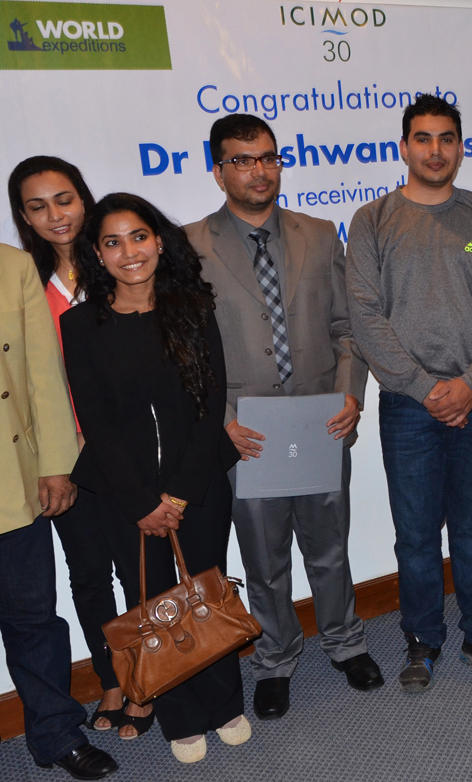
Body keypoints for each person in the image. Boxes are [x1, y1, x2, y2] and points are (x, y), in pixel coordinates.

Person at [185, 113, 381, 718]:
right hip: (248, 432)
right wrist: (219, 420)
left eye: (269, 157)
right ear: (218, 171)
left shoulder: (320, 234)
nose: (259, 170)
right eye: (242, 160)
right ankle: (276, 658)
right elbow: (185, 351)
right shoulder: (189, 245)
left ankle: (345, 643)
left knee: (330, 547)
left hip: (322, 421)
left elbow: (348, 328)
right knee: (264, 557)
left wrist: (351, 393)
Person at [60, 193, 250, 763]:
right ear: (96, 254)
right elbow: (95, 420)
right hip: (125, 493)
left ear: (159, 241)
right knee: (155, 602)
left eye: (138, 237)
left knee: (204, 592)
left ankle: (225, 703)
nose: (129, 252)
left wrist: (183, 492)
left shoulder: (193, 307)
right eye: (112, 242)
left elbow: (209, 400)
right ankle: (179, 714)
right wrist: (143, 500)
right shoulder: (80, 324)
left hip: (200, 482)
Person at [346, 94, 472, 692]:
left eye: (447, 138)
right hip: (407, 406)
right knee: (416, 536)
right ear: (404, 148)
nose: (435, 150)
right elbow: (366, 317)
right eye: (423, 138)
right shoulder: (372, 222)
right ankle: (422, 640)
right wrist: (426, 389)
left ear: (461, 147)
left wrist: (471, 385)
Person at [7, 155, 134, 737]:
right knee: (87, 574)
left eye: (65, 199)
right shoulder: (23, 280)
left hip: (130, 448)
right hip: (67, 457)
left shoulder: (120, 264)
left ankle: (149, 678)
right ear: (24, 218)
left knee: (140, 569)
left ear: (84, 199)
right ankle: (111, 678)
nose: (55, 215)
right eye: (38, 206)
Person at [0, 242, 117, 779]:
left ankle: (56, 735)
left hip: (11, 479)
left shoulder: (13, 265)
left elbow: (43, 375)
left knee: (33, 619)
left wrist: (56, 465)